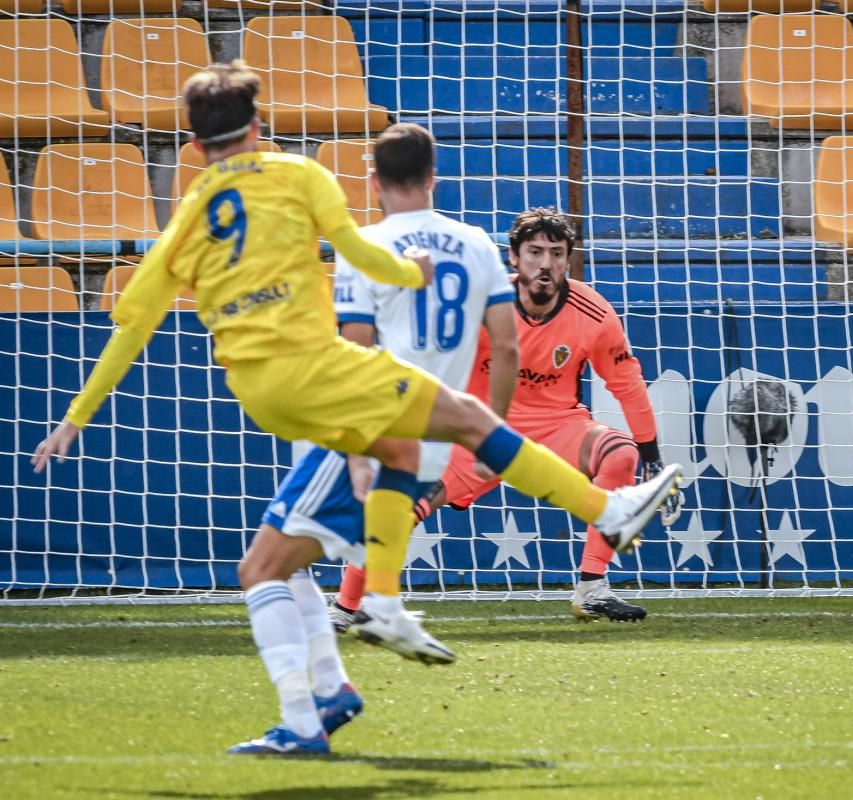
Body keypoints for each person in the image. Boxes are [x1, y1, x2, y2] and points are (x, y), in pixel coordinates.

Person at [30, 63, 682, 756]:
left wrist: (77, 415)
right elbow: (353, 247)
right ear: (258, 128)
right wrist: (409, 275)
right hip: (319, 375)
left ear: (194, 150)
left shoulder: (188, 214)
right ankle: (401, 600)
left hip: (258, 388)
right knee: (456, 423)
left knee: (329, 517)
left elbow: (133, 322)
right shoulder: (299, 175)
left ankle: (337, 681)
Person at [331, 208, 681, 626]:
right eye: (534, 252)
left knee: (620, 455)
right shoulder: (480, 304)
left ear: (569, 259)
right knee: (399, 502)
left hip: (557, 426)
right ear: (513, 258)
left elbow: (627, 382)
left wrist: (652, 455)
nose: (546, 263)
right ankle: (346, 608)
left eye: (556, 253)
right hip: (478, 429)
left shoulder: (594, 314)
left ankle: (592, 588)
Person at [267, 120, 522, 667]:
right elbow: (507, 349)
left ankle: (316, 695)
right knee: (307, 553)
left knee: (273, 564)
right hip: (435, 434)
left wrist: (357, 444)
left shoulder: (364, 247)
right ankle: (374, 613)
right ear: (434, 176)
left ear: (374, 180)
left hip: (376, 422)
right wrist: (488, 432)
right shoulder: (477, 243)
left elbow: (355, 351)